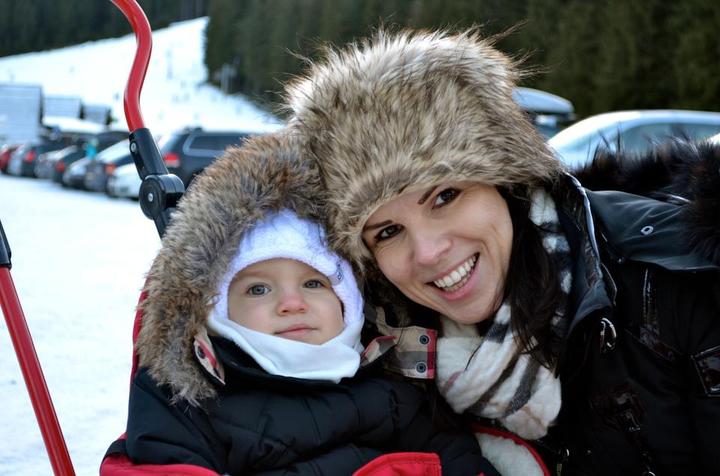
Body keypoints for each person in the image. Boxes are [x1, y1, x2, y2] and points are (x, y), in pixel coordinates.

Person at [284, 29, 720, 475]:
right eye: (389, 231)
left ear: (507, 182)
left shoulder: (672, 276)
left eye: (445, 196)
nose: (429, 253)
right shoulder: (381, 355)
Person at [105, 132, 499, 476]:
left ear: (348, 303)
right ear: (217, 312)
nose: (292, 303)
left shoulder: (396, 390)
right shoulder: (191, 401)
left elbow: (459, 460)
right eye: (258, 289)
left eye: (313, 283)